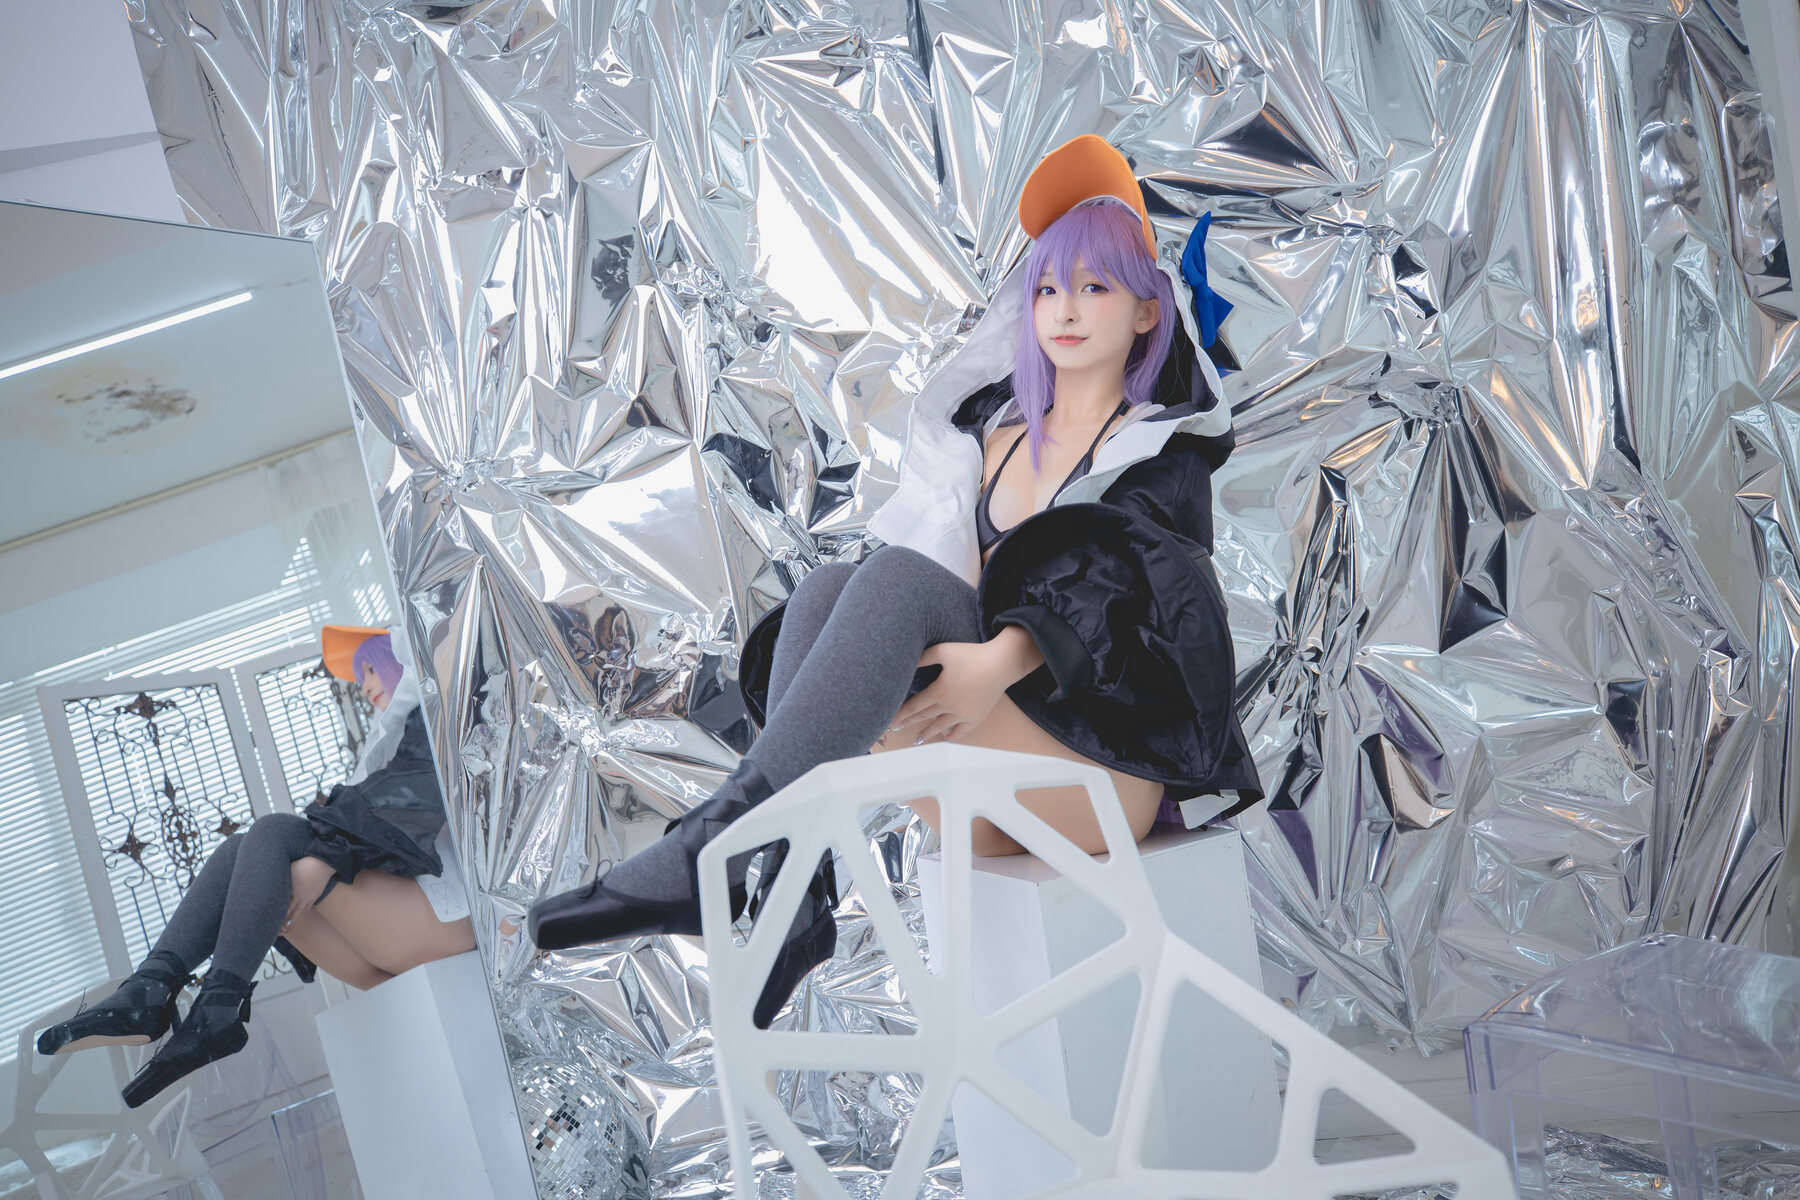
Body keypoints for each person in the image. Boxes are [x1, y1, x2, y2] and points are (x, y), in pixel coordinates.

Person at [529, 135, 1263, 1029]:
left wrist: (1000, 662)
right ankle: (796, 889)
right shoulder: (989, 439)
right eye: (1047, 289)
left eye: (1095, 287)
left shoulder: (1157, 452)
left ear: (1148, 310)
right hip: (988, 777)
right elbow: (919, 588)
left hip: (1102, 778)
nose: (1066, 309)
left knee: (893, 579)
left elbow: (1139, 593)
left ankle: (712, 848)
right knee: (827, 592)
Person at [37, 625, 474, 1108]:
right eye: (360, 675)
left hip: (446, 921)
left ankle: (204, 1005)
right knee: (246, 847)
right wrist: (328, 852)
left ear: (401, 661)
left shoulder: (434, 713)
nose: (366, 684)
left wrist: (328, 856)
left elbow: (410, 795)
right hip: (403, 928)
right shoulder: (388, 735)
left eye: (371, 667)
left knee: (273, 834)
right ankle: (158, 990)